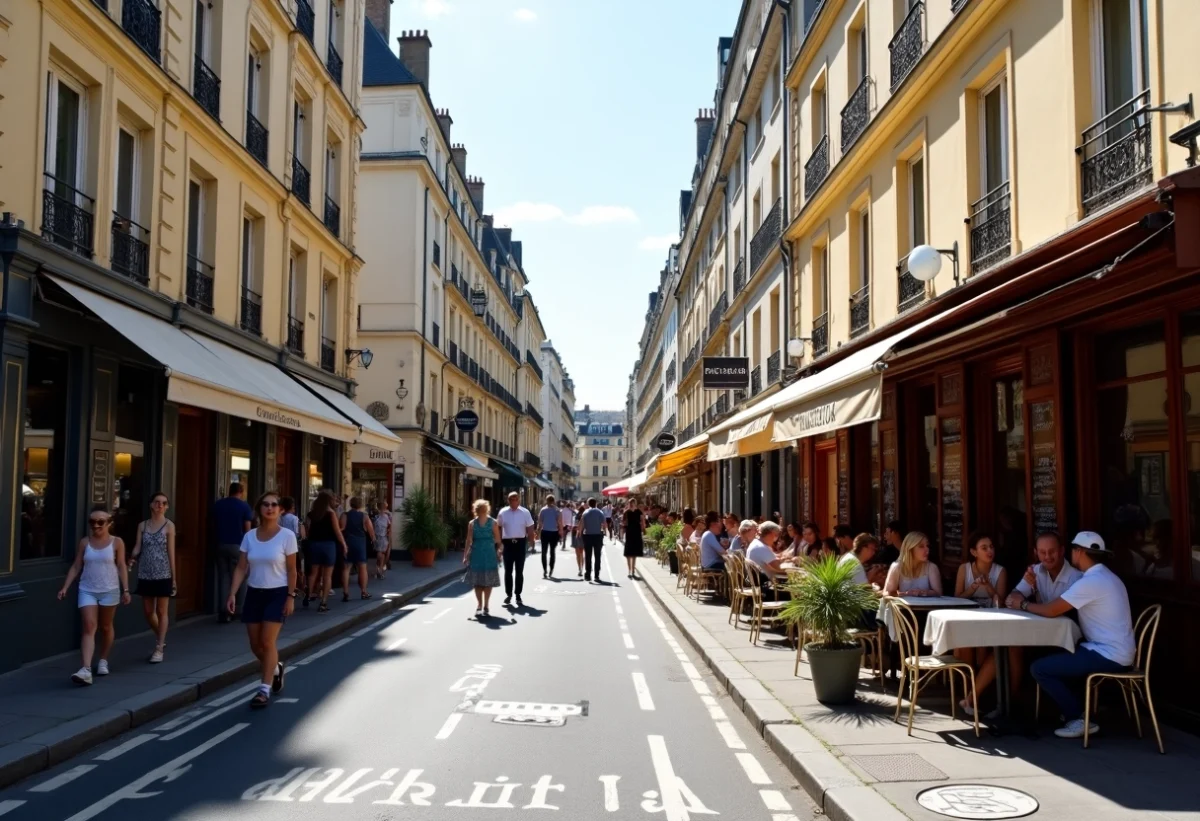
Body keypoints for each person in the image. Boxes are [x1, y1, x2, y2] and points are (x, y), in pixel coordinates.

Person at [1026, 532, 1136, 739]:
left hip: (1108, 654)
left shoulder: (1092, 581)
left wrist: (1023, 604)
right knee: (1061, 652)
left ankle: (1078, 718)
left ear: (1079, 552)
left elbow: (1051, 610)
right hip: (1110, 649)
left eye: (1073, 550)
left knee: (1039, 668)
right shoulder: (1105, 576)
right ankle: (1074, 710)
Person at [227, 492, 298, 709]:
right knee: (255, 645)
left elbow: (292, 569)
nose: (270, 508)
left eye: (274, 505)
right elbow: (241, 567)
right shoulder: (249, 536)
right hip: (254, 593)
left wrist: (290, 596)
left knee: (268, 642)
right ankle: (276, 668)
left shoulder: (287, 536)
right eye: (265, 505)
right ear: (259, 509)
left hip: (277, 593)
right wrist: (232, 593)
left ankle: (264, 689)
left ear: (280, 510)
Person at [58, 505, 132, 685]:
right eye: (93, 522)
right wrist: (65, 587)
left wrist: (126, 589)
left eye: (101, 522)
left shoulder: (117, 542)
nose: (96, 525)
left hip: (110, 589)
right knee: (89, 626)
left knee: (106, 627)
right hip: (87, 589)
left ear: (109, 523)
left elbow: (121, 565)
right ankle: (86, 669)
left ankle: (103, 660)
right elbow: (76, 566)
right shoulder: (85, 542)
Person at [953, 533, 1010, 716]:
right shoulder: (965, 569)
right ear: (974, 552)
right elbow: (956, 598)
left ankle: (977, 695)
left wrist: (989, 588)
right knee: (966, 646)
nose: (989, 551)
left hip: (991, 621)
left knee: (988, 651)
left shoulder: (1000, 571)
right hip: (968, 619)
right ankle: (969, 694)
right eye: (984, 548)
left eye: (991, 546)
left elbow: (1001, 603)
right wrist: (974, 588)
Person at [128, 492, 176, 663]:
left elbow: (171, 552)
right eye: (157, 502)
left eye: (164, 503)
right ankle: (160, 636)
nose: (160, 505)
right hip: (146, 572)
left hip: (163, 572)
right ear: (151, 505)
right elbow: (137, 546)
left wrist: (174, 576)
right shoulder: (143, 526)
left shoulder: (169, 526)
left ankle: (159, 647)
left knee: (162, 611)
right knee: (149, 612)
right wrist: (132, 556)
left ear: (167, 507)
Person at [1004, 531, 1083, 609]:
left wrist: (1023, 604)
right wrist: (1015, 597)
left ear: (1061, 551)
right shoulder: (1034, 571)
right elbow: (1013, 596)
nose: (1047, 556)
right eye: (1042, 552)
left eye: (1052, 551)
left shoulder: (1077, 577)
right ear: (1036, 552)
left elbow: (1053, 611)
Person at [211, 482, 253, 623]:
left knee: (224, 578)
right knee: (241, 576)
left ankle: (224, 610)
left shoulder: (218, 504)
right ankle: (239, 608)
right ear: (241, 492)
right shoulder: (244, 506)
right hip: (238, 546)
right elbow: (247, 529)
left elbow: (213, 523)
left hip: (220, 544)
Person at [304, 490, 347, 613]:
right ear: (329, 501)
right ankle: (323, 602)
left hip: (313, 544)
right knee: (327, 575)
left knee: (313, 573)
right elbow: (337, 531)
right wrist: (344, 544)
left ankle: (308, 595)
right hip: (328, 545)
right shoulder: (331, 513)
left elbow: (306, 530)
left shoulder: (311, 514)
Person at [463, 499, 503, 617]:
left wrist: (500, 550)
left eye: (483, 508)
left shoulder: (493, 523)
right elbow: (468, 540)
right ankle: (481, 605)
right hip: (479, 554)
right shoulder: (472, 523)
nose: (482, 510)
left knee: (485, 582)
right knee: (479, 582)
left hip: (488, 554)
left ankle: (484, 605)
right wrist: (465, 555)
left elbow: (498, 540)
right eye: (481, 508)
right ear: (477, 510)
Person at [497, 491, 536, 606]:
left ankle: (518, 594)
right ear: (508, 501)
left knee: (519, 570)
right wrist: (499, 544)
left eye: (515, 499)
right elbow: (498, 528)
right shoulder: (503, 513)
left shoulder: (525, 512)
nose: (513, 501)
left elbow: (530, 527)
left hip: (520, 543)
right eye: (511, 499)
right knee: (508, 571)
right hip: (508, 543)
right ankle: (508, 594)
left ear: (519, 500)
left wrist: (531, 541)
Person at [884, 531, 943, 597]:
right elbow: (886, 593)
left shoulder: (931, 567)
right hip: (903, 606)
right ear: (910, 549)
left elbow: (938, 594)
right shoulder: (897, 567)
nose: (927, 549)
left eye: (927, 545)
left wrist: (922, 592)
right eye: (921, 546)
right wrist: (904, 594)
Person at [339, 497, 374, 601]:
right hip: (360, 543)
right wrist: (373, 540)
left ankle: (345, 593)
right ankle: (363, 591)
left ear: (350, 504)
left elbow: (341, 528)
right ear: (360, 505)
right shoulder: (364, 516)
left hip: (348, 542)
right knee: (362, 568)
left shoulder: (344, 515)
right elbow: (371, 531)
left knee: (346, 569)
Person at [745, 521, 789, 585]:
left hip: (758, 581)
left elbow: (771, 558)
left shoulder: (756, 543)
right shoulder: (761, 548)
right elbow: (779, 567)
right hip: (765, 585)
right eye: (776, 535)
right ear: (771, 534)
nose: (776, 538)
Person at [280, 497, 306, 597]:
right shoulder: (294, 518)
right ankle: (296, 587)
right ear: (291, 507)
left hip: (282, 546)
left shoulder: (280, 518)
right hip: (293, 546)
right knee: (296, 568)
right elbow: (297, 533)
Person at [580, 497, 608, 582]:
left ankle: (588, 574)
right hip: (597, 536)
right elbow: (604, 524)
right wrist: (604, 531)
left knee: (588, 556)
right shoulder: (600, 512)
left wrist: (580, 533)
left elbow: (582, 524)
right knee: (597, 556)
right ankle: (596, 575)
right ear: (595, 503)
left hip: (588, 535)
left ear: (588, 504)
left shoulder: (585, 512)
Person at [538, 494, 563, 579]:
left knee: (544, 552)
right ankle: (551, 569)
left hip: (545, 532)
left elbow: (540, 522)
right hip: (554, 533)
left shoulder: (543, 510)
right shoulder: (557, 510)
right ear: (553, 501)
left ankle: (545, 570)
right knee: (552, 552)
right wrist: (561, 533)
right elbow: (560, 523)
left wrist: (538, 533)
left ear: (546, 500)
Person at [623, 498, 646, 579]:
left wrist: (643, 529)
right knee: (628, 553)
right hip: (629, 533)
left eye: (633, 503)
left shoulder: (638, 512)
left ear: (635, 503)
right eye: (630, 503)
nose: (631, 504)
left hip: (636, 532)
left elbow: (643, 521)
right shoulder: (626, 512)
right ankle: (629, 570)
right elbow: (624, 522)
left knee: (634, 553)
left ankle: (633, 570)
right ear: (629, 504)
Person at [372, 504, 392, 580]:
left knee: (381, 554)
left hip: (380, 537)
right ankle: (380, 570)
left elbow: (389, 527)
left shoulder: (378, 517)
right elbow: (389, 527)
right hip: (381, 537)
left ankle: (379, 570)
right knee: (381, 554)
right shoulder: (385, 517)